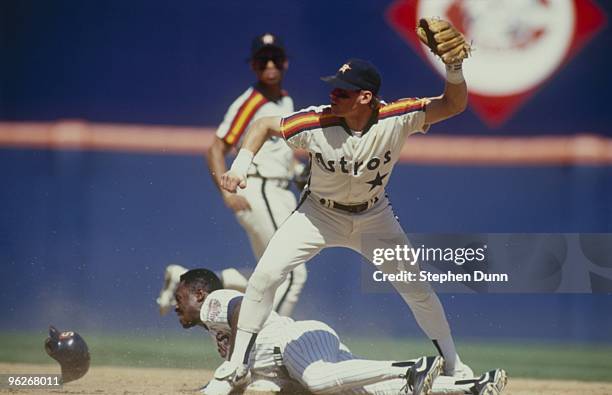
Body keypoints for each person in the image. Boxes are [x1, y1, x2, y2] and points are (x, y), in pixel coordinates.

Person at [220, 19, 474, 385]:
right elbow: (262, 125)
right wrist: (241, 165)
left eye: (342, 92)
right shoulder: (316, 121)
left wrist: (454, 68)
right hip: (317, 214)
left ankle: (453, 363)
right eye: (334, 89)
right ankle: (239, 361)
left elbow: (453, 104)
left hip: (374, 217)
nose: (333, 95)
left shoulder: (396, 118)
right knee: (266, 275)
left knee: (417, 289)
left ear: (365, 97)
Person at [156, 33, 307, 317]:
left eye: (275, 59)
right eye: (263, 61)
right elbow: (214, 149)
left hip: (279, 192)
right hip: (260, 191)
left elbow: (279, 154)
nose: (270, 65)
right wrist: (226, 193)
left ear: (285, 63)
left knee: (267, 275)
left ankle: (184, 278)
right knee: (293, 273)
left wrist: (298, 171)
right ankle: (267, 344)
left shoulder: (286, 101)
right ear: (253, 66)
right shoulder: (250, 103)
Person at [174, 268, 508, 395]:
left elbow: (240, 308)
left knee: (319, 380)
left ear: (200, 294)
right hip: (297, 354)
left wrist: (232, 368)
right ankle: (473, 386)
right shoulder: (213, 325)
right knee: (374, 392)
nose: (177, 306)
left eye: (180, 297)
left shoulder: (215, 302)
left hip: (296, 343)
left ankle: (411, 366)